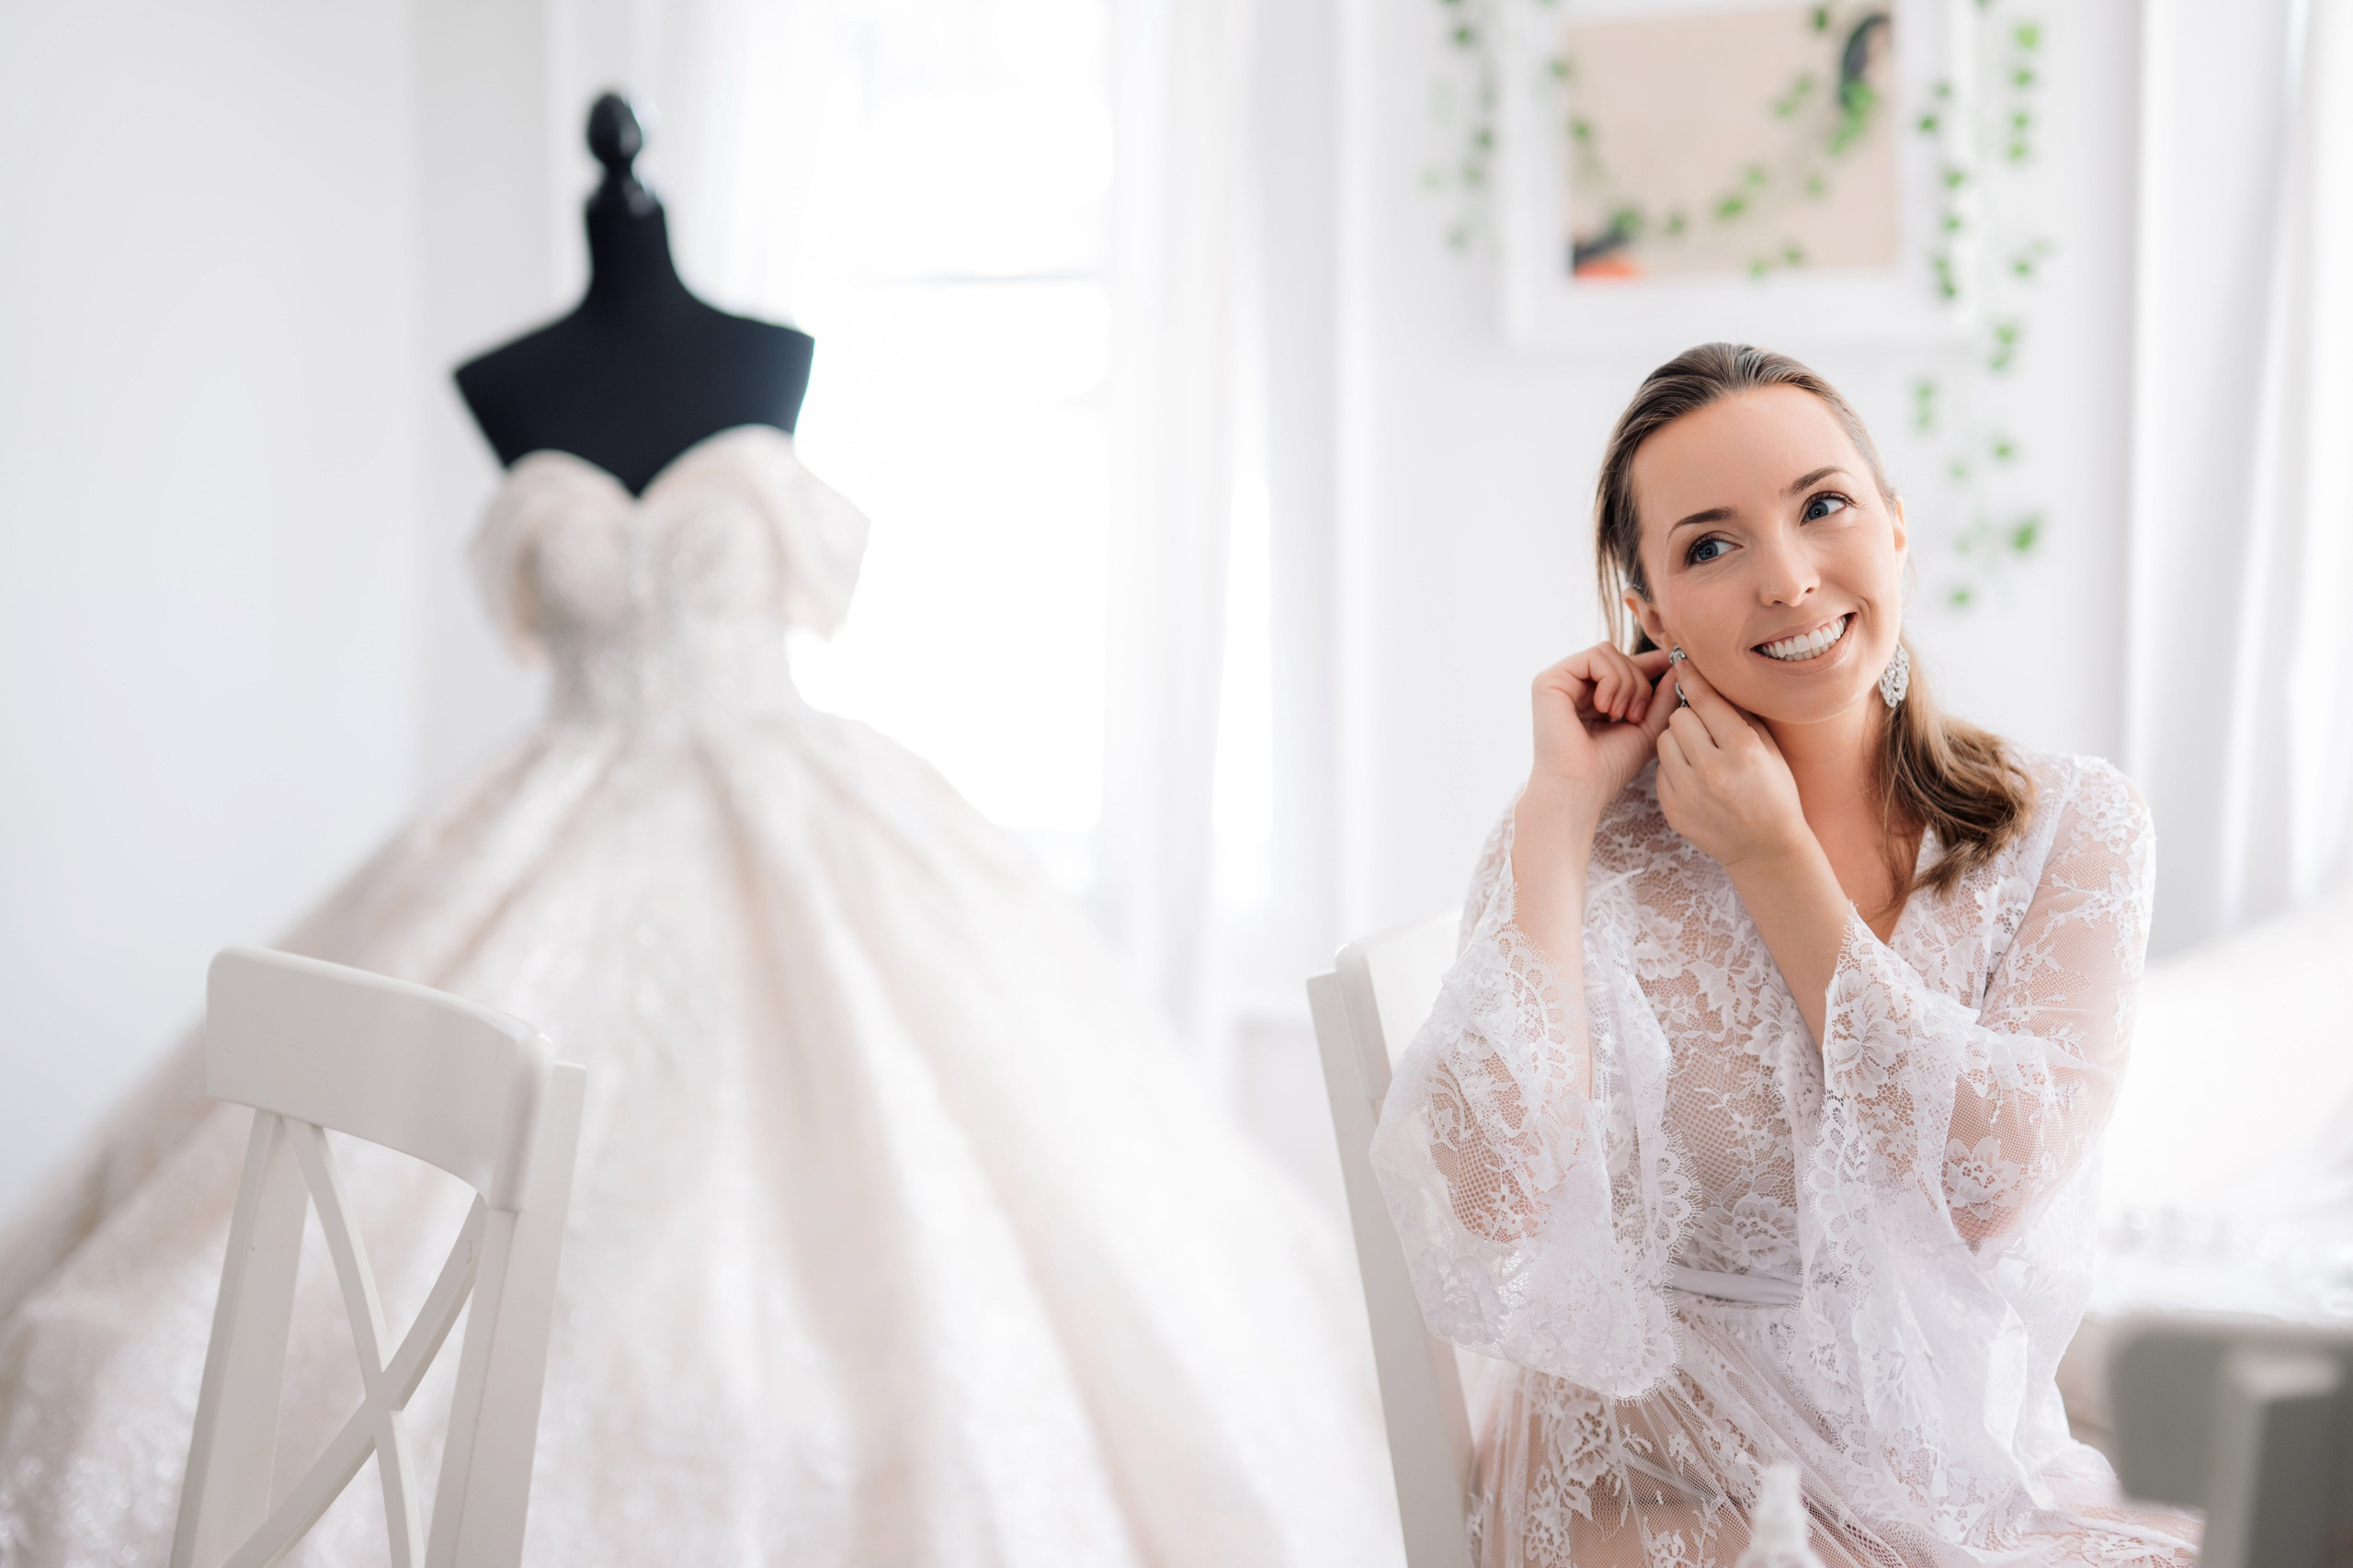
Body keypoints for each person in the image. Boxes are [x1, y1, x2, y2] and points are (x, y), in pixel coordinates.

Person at [1370, 344, 2200, 1566]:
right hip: (1661, 1498)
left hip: (1957, 1474)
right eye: (1711, 544)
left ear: (1898, 526)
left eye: (1824, 506)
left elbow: (1991, 1183)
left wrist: (1774, 861)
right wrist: (1557, 807)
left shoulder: (2071, 825)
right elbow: (1486, 1208)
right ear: (1647, 610)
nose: (1791, 578)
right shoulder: (1588, 832)